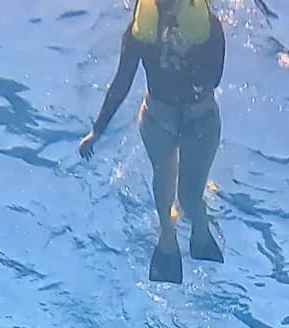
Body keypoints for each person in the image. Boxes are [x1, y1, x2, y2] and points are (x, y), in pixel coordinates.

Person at [80, 0, 226, 284]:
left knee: (189, 196)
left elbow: (215, 78)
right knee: (163, 182)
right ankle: (167, 239)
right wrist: (97, 130)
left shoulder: (210, 27)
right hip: (158, 119)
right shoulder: (137, 33)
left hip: (201, 121)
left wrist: (191, 50)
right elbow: (122, 81)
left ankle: (199, 228)